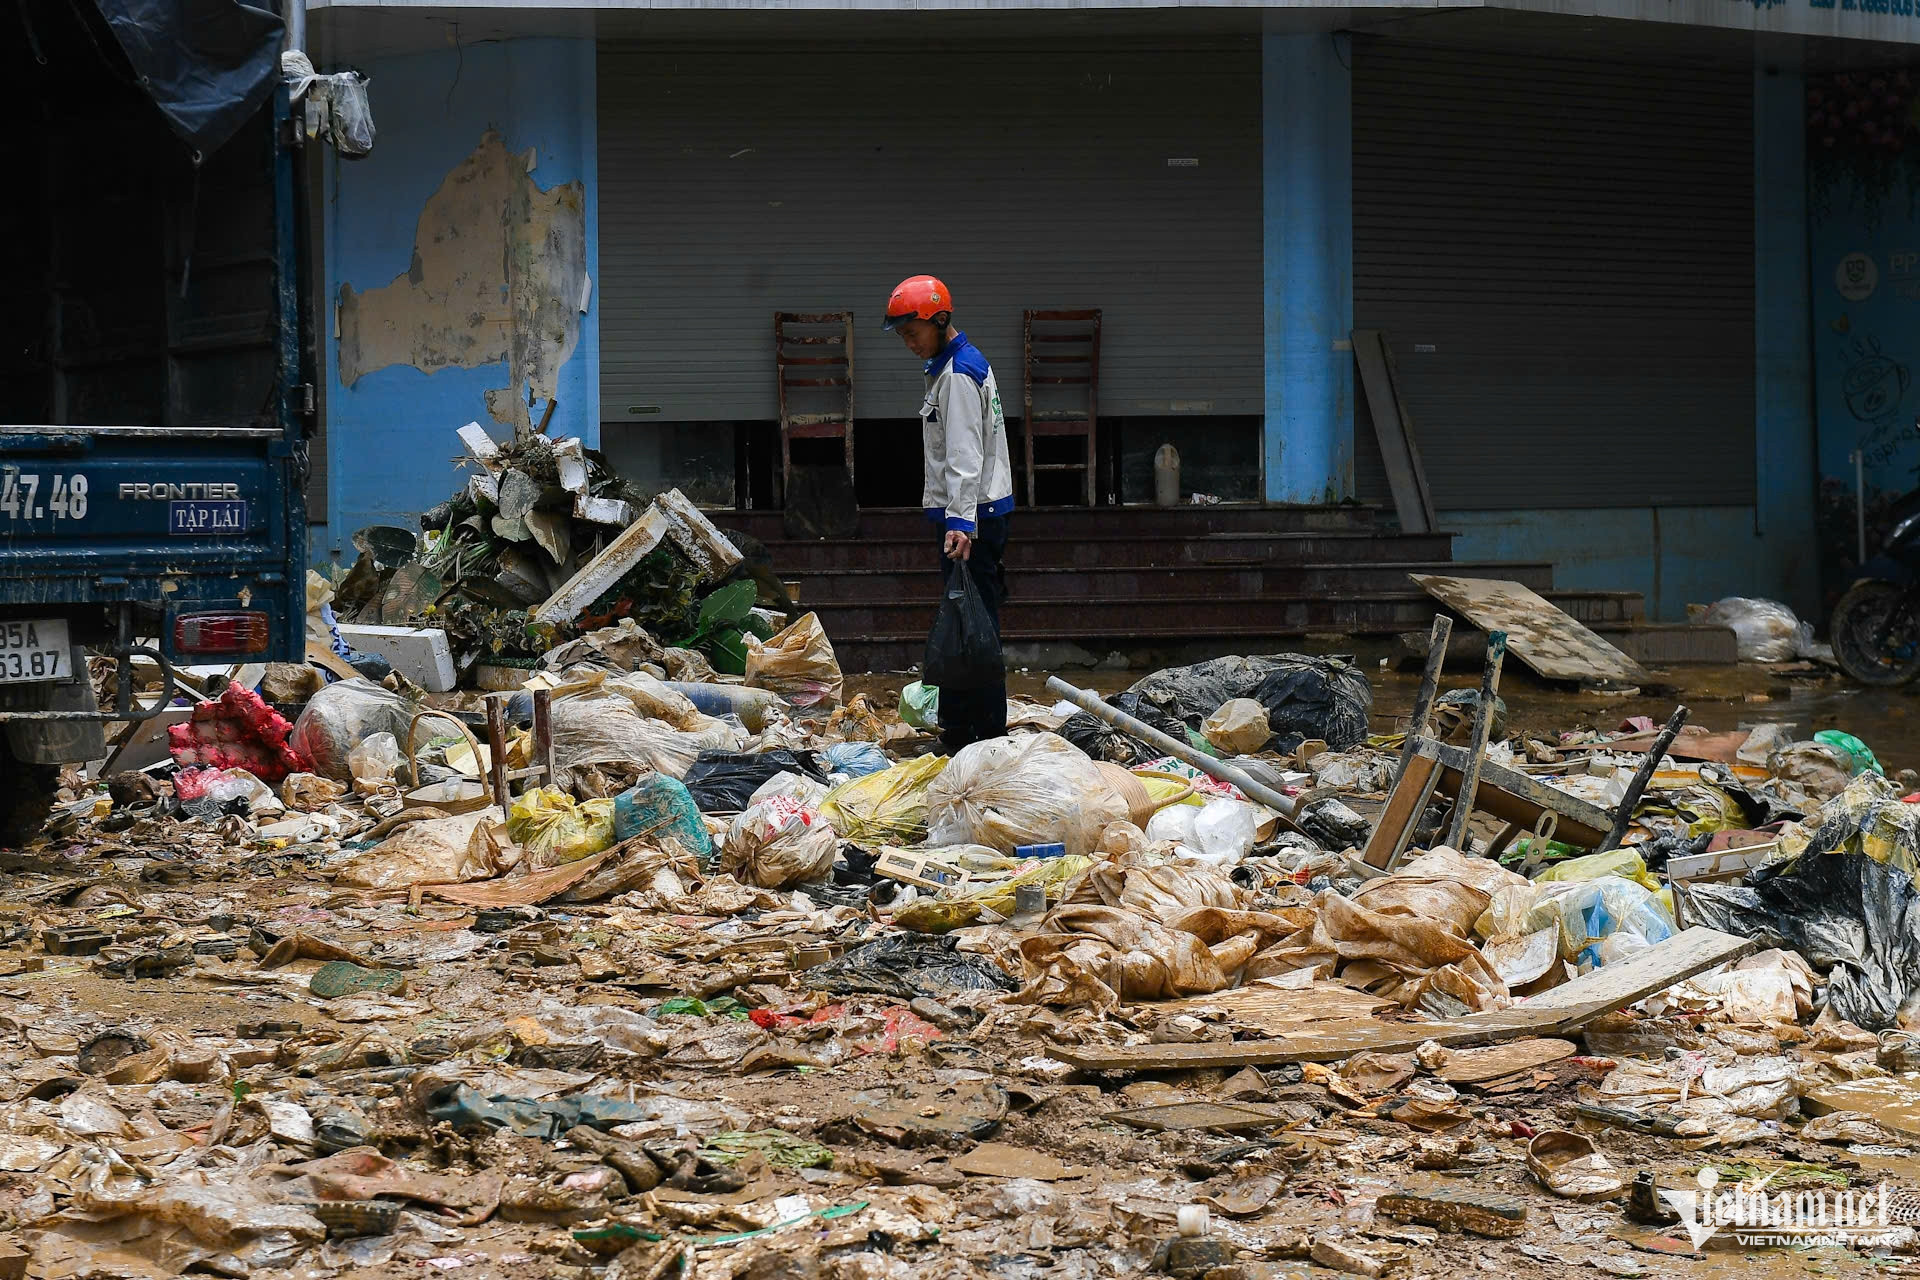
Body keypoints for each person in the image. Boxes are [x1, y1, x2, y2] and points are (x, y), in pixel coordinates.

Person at [882, 275, 1013, 751]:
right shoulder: (959, 365)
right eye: (902, 335)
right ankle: (969, 729)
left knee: (972, 629)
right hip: (979, 513)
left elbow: (964, 455)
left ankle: (975, 735)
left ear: (939, 321)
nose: (908, 343)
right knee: (968, 624)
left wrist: (960, 524)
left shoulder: (957, 375)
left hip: (971, 517)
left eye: (912, 332)